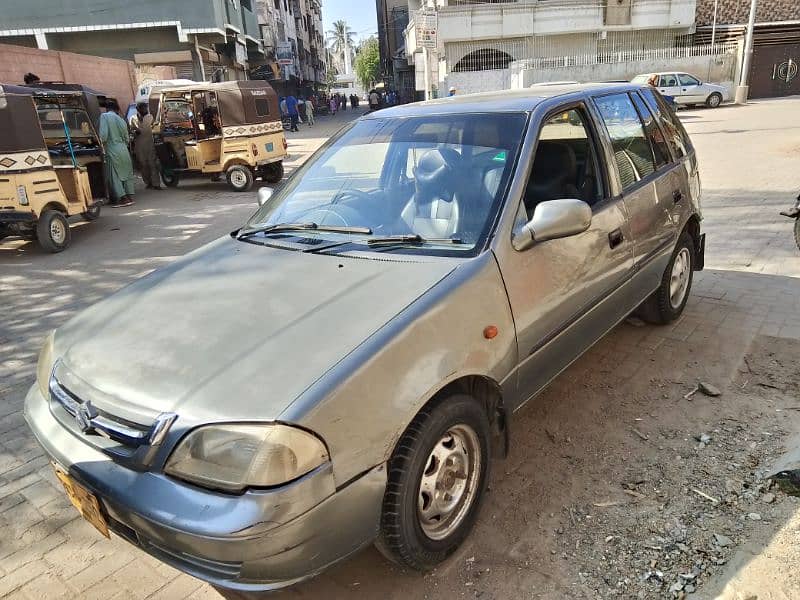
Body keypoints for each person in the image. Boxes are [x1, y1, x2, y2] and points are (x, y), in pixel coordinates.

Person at [99, 99, 136, 207]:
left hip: (112, 149)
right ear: (116, 109)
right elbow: (126, 138)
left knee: (114, 175)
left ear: (107, 108)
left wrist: (99, 142)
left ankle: (122, 198)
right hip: (123, 149)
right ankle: (129, 196)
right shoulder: (121, 119)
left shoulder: (104, 117)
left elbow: (103, 135)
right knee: (126, 173)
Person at [129, 102, 162, 190]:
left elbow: (155, 128)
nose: (145, 110)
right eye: (143, 108)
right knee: (143, 165)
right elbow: (130, 131)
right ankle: (148, 182)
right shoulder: (133, 118)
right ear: (138, 109)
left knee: (153, 164)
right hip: (139, 145)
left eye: (145, 108)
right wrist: (134, 133)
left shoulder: (150, 117)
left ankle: (156, 184)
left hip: (150, 144)